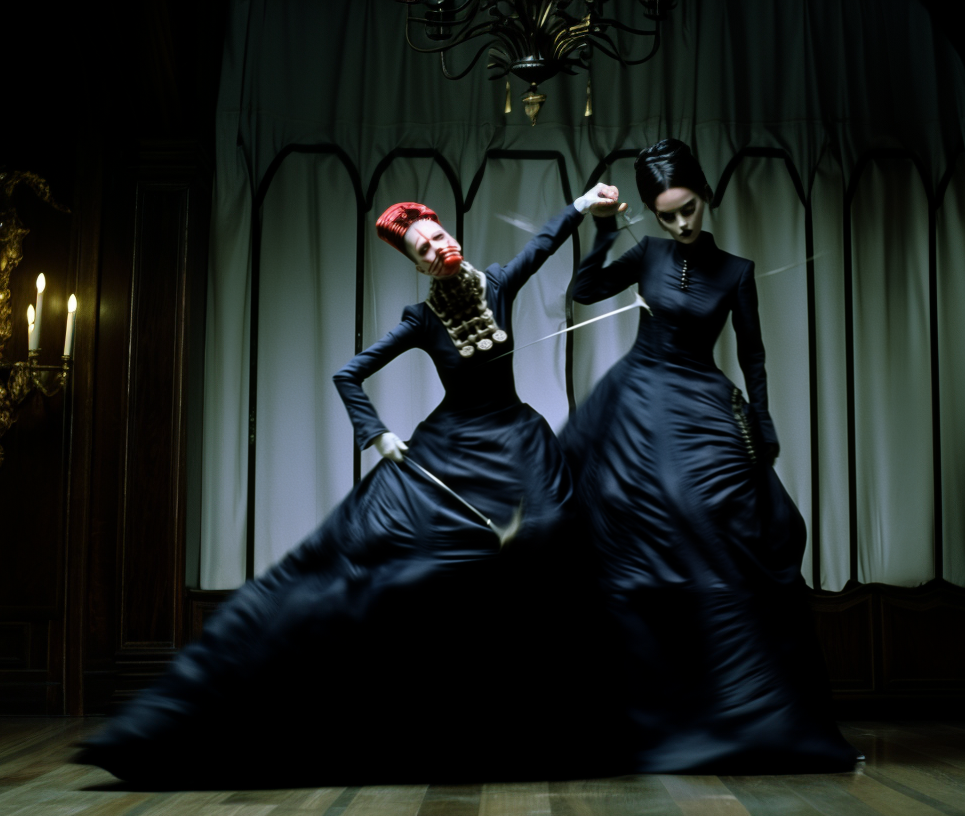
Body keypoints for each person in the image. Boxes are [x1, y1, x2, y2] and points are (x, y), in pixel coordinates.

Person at [75, 187, 623, 785]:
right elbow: (348, 375)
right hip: (451, 447)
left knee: (553, 541)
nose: (435, 248)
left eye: (436, 237)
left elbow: (543, 245)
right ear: (415, 264)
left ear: (448, 235)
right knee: (392, 568)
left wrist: (583, 204)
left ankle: (546, 715)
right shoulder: (421, 318)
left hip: (517, 441)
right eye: (422, 249)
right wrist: (378, 434)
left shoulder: (494, 283)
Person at [560, 138, 859, 774]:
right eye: (667, 215)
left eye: (688, 209)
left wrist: (764, 418)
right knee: (617, 534)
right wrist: (606, 229)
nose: (681, 224)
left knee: (746, 535)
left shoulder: (737, 271)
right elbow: (584, 291)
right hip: (637, 398)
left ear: (706, 196)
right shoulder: (648, 253)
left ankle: (741, 713)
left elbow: (752, 355)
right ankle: (634, 713)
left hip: (701, 400)